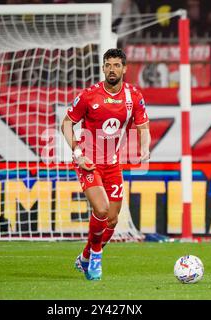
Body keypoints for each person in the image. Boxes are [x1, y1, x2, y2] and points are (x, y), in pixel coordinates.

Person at [61, 48, 151, 281]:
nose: (112, 69)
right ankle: (96, 259)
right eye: (108, 65)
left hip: (112, 163)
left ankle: (84, 257)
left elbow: (143, 127)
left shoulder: (133, 96)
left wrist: (145, 148)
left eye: (117, 65)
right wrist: (78, 152)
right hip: (88, 162)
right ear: (103, 68)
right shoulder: (90, 95)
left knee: (111, 218)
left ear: (124, 68)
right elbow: (66, 123)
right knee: (100, 209)